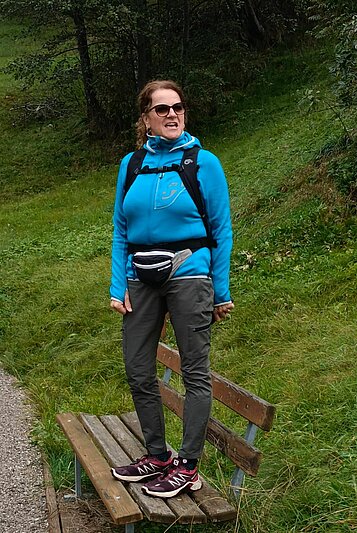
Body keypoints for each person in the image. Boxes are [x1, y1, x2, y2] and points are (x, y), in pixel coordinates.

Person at [109, 79, 234, 498]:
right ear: (145, 118)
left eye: (177, 107)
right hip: (138, 277)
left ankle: (187, 464)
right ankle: (158, 455)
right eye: (161, 109)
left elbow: (221, 230)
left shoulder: (204, 162)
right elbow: (120, 231)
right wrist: (116, 285)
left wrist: (221, 290)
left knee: (194, 371)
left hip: (190, 272)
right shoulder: (131, 165)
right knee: (137, 367)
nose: (172, 115)